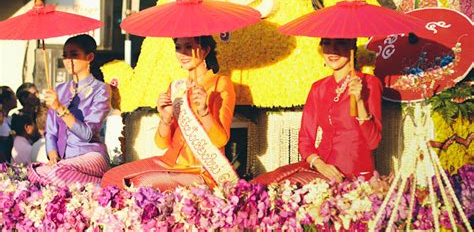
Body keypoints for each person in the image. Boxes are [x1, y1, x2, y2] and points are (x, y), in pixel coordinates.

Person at [101, 36, 237, 190]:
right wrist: (165, 119)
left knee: (140, 184)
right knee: (111, 177)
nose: (183, 53)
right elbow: (162, 143)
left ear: (205, 50)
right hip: (169, 162)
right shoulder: (177, 87)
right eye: (178, 47)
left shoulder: (220, 84)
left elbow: (221, 140)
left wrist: (204, 112)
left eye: (189, 47)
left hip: (201, 169)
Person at [253, 38, 382, 185]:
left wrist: (359, 102)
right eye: (327, 43)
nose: (333, 50)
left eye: (340, 43)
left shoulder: (369, 83)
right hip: (319, 169)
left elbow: (373, 142)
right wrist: (319, 164)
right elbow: (305, 140)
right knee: (264, 185)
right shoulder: (318, 88)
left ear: (352, 46)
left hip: (354, 175)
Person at [28, 34, 111, 186]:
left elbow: (87, 134)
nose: (67, 61)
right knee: (35, 172)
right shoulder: (59, 90)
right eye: (65, 55)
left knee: (56, 172)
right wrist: (53, 155)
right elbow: (50, 132)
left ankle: (102, 184)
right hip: (65, 162)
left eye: (74, 55)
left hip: (91, 156)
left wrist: (59, 107)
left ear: (89, 57)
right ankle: (92, 185)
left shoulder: (101, 89)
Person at [0, 86, 17, 162]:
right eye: (14, 96)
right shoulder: (1, 120)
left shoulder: (9, 119)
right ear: (6, 100)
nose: (16, 99)